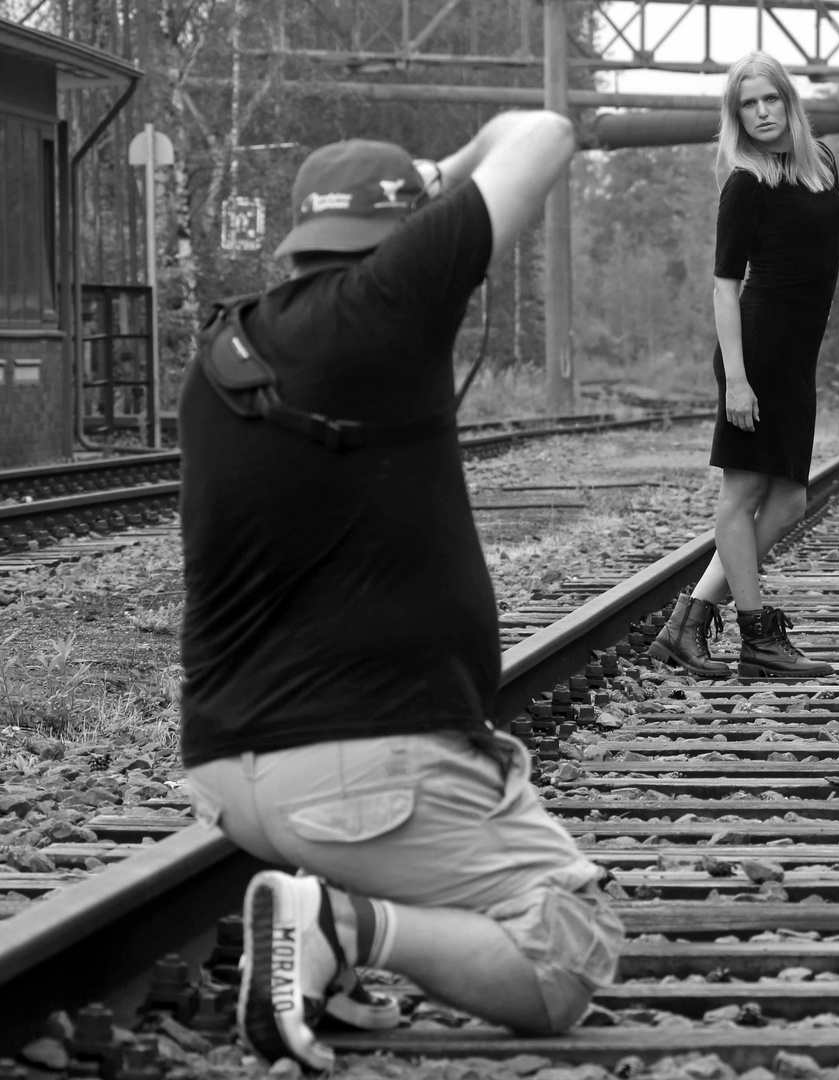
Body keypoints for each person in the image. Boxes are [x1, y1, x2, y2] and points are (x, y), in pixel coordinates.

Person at [178, 114, 622, 1071]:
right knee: (570, 949)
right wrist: (443, 171)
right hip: (355, 774)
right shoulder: (390, 303)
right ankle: (339, 927)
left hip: (231, 768)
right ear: (402, 239)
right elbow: (544, 133)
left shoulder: (222, 357)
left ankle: (328, 954)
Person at [649, 51, 839, 681]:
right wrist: (735, 377)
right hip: (756, 351)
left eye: (770, 99)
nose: (761, 113)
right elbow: (724, 286)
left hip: (796, 355)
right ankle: (757, 637)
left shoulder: (823, 168)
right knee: (742, 494)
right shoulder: (745, 182)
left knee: (788, 501)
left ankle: (691, 619)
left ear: (789, 101)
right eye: (748, 104)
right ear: (736, 116)